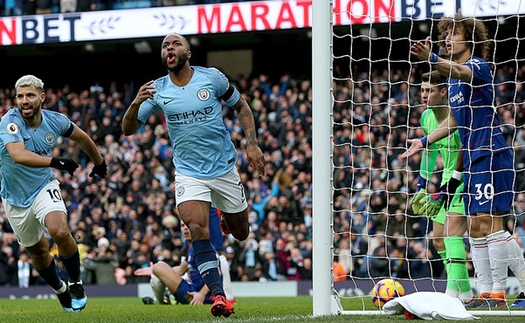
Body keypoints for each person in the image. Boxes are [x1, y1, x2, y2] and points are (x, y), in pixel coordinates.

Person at [122, 32, 265, 317]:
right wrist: (136, 103)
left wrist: (252, 144)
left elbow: (241, 106)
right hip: (188, 173)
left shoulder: (211, 78)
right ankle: (219, 296)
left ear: (188, 53)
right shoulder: (156, 90)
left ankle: (225, 216)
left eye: (175, 43)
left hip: (223, 168)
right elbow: (127, 129)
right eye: (165, 46)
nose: (169, 48)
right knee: (197, 230)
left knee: (241, 233)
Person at [404, 13, 525, 309]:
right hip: (471, 157)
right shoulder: (452, 80)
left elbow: (459, 70)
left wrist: (431, 58)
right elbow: (456, 121)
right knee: (475, 226)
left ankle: (499, 292)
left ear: (470, 39)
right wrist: (424, 140)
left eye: (454, 34)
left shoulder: (477, 67)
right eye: (446, 34)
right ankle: (487, 292)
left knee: (490, 223)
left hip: (491, 152)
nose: (448, 38)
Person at [0, 75, 107, 312]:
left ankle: (76, 283)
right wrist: (56, 161)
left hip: (44, 187)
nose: (24, 101)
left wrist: (99, 163)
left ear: (42, 97)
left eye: (29, 95)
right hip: (15, 199)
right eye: (20, 96)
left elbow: (81, 137)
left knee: (59, 230)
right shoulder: (10, 122)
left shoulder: (55, 120)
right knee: (38, 251)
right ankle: (60, 289)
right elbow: (18, 155)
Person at [410, 70, 472, 303]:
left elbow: (465, 151)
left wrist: (454, 180)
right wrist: (421, 186)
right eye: (422, 90)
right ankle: (462, 290)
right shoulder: (427, 117)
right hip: (445, 180)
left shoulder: (458, 113)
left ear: (443, 91)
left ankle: (456, 294)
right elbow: (430, 151)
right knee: (438, 239)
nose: (424, 95)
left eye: (430, 91)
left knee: (452, 234)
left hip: (464, 177)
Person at [134, 220, 218, 308]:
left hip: (200, 295)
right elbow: (180, 270)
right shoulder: (192, 249)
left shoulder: (202, 248)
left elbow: (217, 272)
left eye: (188, 225)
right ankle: (165, 298)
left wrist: (201, 294)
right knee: (158, 268)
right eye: (182, 226)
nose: (185, 228)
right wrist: (155, 271)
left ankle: (160, 301)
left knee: (159, 266)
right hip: (192, 290)